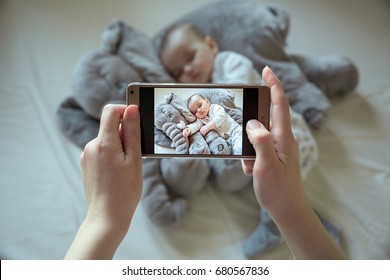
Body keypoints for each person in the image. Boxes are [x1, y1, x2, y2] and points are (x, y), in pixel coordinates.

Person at [65, 67, 346, 260]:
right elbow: (199, 128)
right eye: (195, 110)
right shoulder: (198, 117)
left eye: (200, 105)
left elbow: (216, 122)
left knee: (238, 148)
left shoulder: (219, 107)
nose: (199, 110)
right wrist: (191, 129)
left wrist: (101, 220)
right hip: (237, 145)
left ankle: (285, 221)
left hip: (240, 132)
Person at [159, 23, 261, 84]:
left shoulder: (230, 62)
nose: (188, 70)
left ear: (211, 45)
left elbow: (239, 91)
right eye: (179, 72)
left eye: (191, 57)